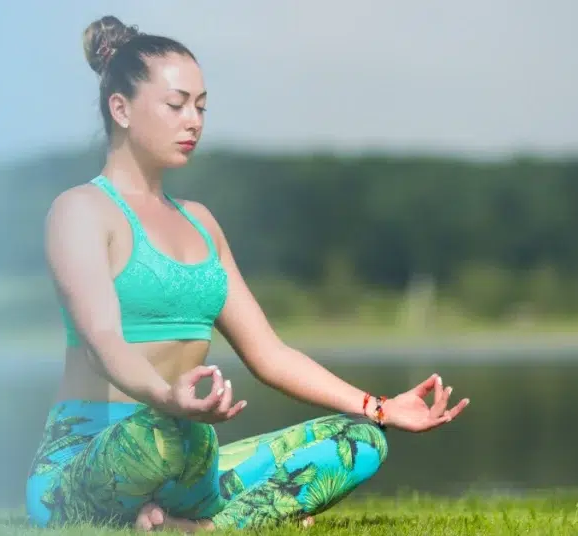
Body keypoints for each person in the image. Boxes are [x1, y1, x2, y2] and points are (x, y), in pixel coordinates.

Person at [24, 15, 470, 533]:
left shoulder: (201, 223)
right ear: (120, 108)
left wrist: (380, 407)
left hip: (189, 453)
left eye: (201, 106)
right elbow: (103, 342)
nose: (193, 121)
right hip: (92, 459)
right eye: (176, 105)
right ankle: (214, 515)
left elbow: (270, 354)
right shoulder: (80, 211)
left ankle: (193, 527)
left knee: (361, 441)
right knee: (177, 432)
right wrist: (168, 398)